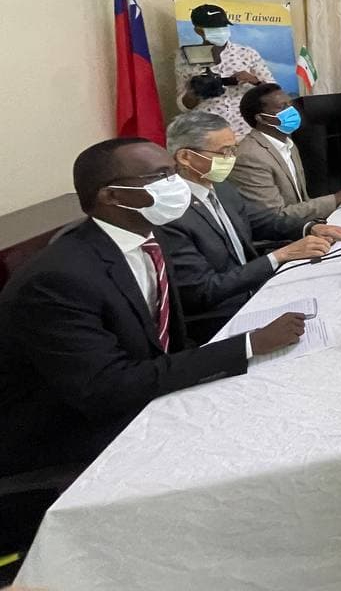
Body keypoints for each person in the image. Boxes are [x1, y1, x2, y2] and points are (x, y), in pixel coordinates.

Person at [0, 138, 305, 478]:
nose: (177, 184)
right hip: (65, 430)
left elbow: (167, 344)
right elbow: (107, 388)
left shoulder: (148, 239)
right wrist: (247, 345)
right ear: (111, 196)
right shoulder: (57, 279)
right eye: (161, 177)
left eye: (174, 172)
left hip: (139, 390)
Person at [157, 112, 341, 342]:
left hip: (256, 289)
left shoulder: (221, 187)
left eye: (234, 149)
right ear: (185, 157)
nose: (232, 158)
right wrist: (280, 256)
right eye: (224, 152)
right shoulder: (171, 212)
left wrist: (310, 228)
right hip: (223, 317)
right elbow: (204, 291)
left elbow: (263, 221)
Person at [229, 84, 341, 223]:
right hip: (278, 233)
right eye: (282, 107)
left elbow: (302, 201)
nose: (292, 110)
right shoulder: (250, 156)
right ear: (262, 118)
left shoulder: (288, 144)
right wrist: (338, 198)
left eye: (290, 104)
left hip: (300, 224)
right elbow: (273, 217)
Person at [175, 3, 275, 139]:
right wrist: (197, 91)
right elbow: (183, 105)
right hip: (208, 133)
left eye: (223, 26)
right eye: (214, 28)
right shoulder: (185, 57)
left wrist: (255, 81)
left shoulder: (246, 53)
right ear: (199, 30)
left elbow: (275, 92)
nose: (221, 31)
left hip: (245, 131)